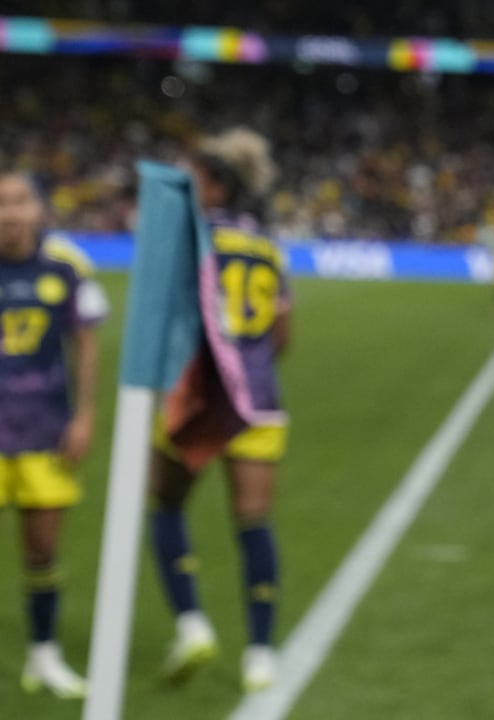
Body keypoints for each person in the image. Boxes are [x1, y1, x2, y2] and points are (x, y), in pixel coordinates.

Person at [147, 127, 291, 692]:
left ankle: (191, 623)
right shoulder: (265, 245)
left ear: (213, 186)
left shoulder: (186, 239)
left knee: (165, 505)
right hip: (258, 399)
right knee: (252, 522)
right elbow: (281, 332)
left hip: (199, 394)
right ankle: (260, 653)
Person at [0, 171, 109, 699]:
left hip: (45, 428)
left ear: (39, 209)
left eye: (20, 202)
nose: (11, 213)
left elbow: (85, 343)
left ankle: (44, 656)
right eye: (1, 204)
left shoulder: (66, 265)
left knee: (42, 551)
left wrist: (84, 415)